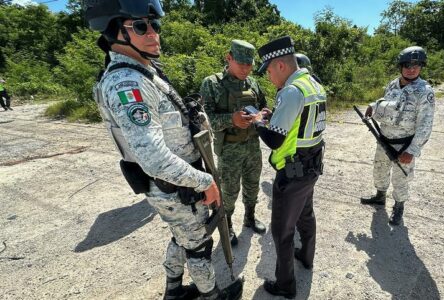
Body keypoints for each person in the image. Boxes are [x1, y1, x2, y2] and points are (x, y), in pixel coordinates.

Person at [84, 0, 242, 299]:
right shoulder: (127, 81)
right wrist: (205, 182)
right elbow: (153, 158)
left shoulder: (143, 71)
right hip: (174, 186)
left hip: (178, 184)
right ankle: (211, 295)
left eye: (154, 25)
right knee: (198, 246)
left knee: (183, 238)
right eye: (141, 26)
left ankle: (173, 290)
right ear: (113, 32)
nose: (153, 33)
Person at [254, 36, 326, 299]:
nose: (269, 76)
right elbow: (301, 122)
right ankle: (306, 257)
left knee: (282, 232)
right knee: (306, 214)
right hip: (311, 166)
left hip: (292, 171)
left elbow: (274, 139)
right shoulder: (313, 84)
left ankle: (286, 286)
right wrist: (275, 116)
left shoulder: (292, 91)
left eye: (269, 70)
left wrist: (258, 122)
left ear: (280, 65)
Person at [200, 40, 267, 247]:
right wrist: (232, 119)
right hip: (229, 149)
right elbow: (208, 119)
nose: (246, 69)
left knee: (252, 185)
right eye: (241, 64)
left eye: (249, 65)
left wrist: (265, 114)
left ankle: (250, 216)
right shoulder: (212, 83)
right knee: (228, 191)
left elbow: (263, 106)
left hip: (252, 146)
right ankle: (227, 224)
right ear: (229, 57)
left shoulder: (253, 84)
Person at [360, 46, 435, 226]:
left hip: (405, 143)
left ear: (422, 67)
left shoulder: (425, 91)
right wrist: (373, 105)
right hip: (384, 138)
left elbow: (425, 124)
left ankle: (399, 206)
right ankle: (380, 196)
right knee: (379, 170)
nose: (412, 69)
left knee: (401, 178)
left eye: (417, 65)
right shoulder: (393, 84)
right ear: (401, 66)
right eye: (408, 64)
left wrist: (413, 150)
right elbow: (387, 101)